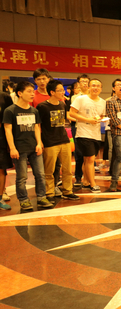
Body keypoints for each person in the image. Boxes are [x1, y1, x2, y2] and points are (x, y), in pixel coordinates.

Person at [3, 81, 54, 211]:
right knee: (22, 177)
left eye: (33, 91)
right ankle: (24, 200)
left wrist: (39, 143)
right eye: (29, 91)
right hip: (19, 148)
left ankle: (41, 197)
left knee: (40, 174)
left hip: (34, 147)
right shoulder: (10, 110)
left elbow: (36, 127)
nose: (32, 94)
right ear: (20, 93)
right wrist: (12, 148)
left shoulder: (34, 111)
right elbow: (8, 130)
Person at [37, 79, 79, 201]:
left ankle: (67, 191)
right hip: (50, 142)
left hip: (64, 140)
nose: (62, 92)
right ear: (52, 92)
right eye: (60, 90)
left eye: (62, 90)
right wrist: (40, 141)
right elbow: (38, 125)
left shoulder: (62, 104)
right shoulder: (42, 107)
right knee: (49, 170)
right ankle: (49, 193)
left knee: (67, 169)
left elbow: (66, 119)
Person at [69, 78, 106, 193]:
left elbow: (101, 115)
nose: (95, 88)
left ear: (101, 89)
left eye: (98, 86)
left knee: (87, 159)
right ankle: (93, 184)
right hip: (83, 133)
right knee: (90, 158)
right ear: (89, 87)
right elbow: (72, 113)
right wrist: (87, 120)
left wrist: (101, 119)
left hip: (96, 134)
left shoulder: (103, 102)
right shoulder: (80, 99)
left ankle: (85, 181)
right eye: (93, 85)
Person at [0, 91, 13, 210]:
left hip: (1, 138)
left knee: (1, 168)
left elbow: (10, 120)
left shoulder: (4, 97)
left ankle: (0, 197)